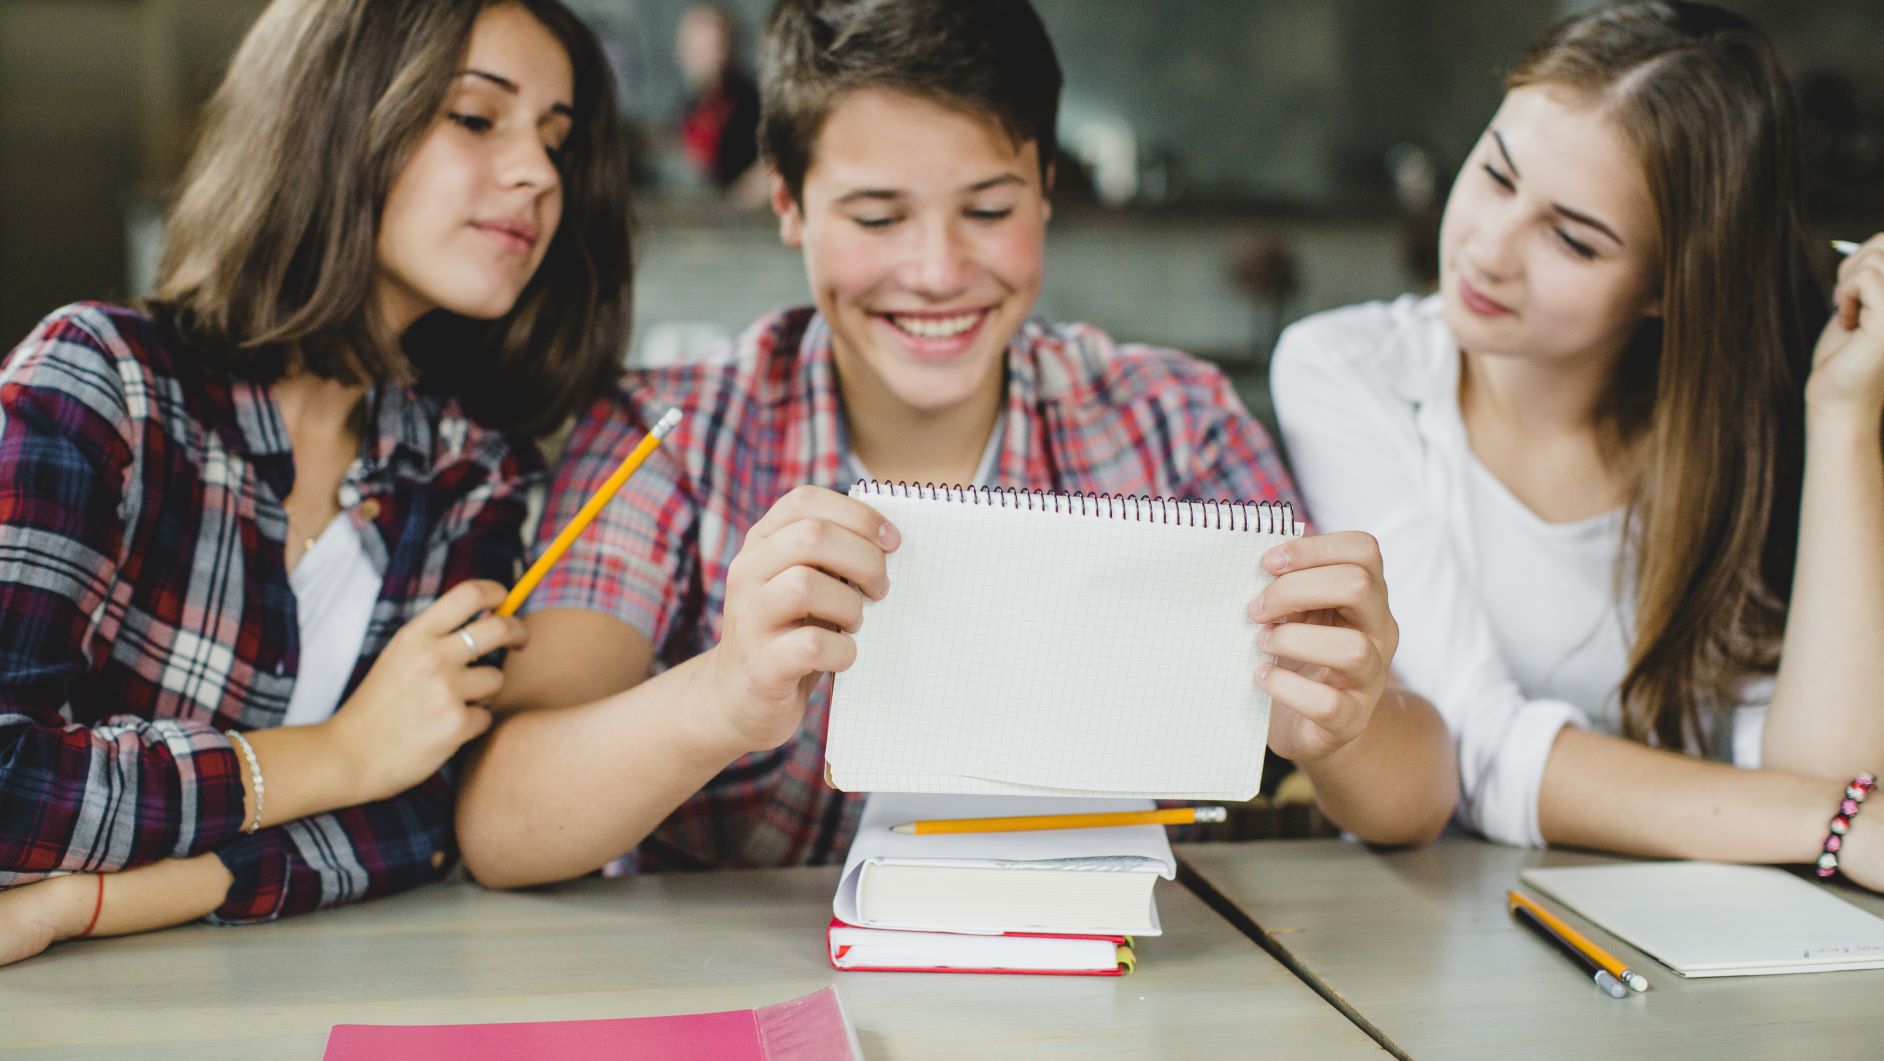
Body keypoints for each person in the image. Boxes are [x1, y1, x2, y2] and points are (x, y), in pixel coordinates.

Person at [456, 0, 1459, 889]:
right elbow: (502, 821)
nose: (936, 270)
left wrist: (1343, 720)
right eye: (877, 215)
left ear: (1046, 190)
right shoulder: (671, 437)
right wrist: (723, 693)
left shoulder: (1172, 420)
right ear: (788, 203)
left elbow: (1416, 796)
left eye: (988, 209)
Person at [0, 0, 632, 965]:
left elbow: (423, 818)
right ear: (337, 113)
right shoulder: (102, 381)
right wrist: (340, 756)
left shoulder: (471, 471)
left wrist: (85, 903)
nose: (539, 175)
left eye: (556, 139)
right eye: (475, 116)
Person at [1269, 1, 1884, 888]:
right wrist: (1837, 821)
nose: (1488, 248)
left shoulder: (1737, 428)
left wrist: (1840, 418)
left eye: (1571, 237)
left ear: (1669, 286)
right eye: (1496, 173)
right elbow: (1469, 746)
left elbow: (1832, 774)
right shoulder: (1350, 370)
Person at [674, 4, 763, 192]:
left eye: (716, 48)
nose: (711, 60)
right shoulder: (687, 110)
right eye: (698, 49)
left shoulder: (756, 109)